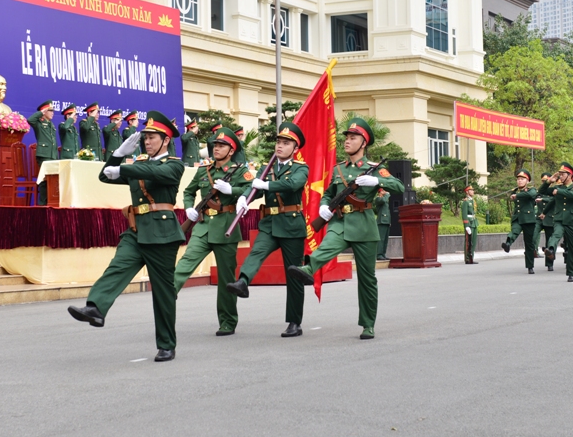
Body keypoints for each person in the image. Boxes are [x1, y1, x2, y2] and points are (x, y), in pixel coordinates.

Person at [67, 112, 184, 362]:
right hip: (136, 229)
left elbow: (159, 175)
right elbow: (104, 175)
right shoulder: (139, 164)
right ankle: (96, 307)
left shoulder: (173, 164)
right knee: (117, 267)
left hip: (162, 234)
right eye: (145, 137)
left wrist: (124, 166)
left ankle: (166, 344)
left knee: (163, 292)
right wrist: (118, 153)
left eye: (152, 137)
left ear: (165, 141)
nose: (147, 142)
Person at [288, 117, 405, 340]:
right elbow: (329, 194)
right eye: (347, 138)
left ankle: (368, 324)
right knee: (327, 245)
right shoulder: (338, 169)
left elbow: (399, 186)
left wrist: (377, 182)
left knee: (367, 279)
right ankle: (308, 269)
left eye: (353, 138)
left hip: (364, 225)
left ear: (364, 143)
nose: (347, 141)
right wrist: (323, 206)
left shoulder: (373, 170)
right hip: (340, 222)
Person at [227, 122, 309, 337]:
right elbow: (254, 185)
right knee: (257, 251)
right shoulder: (268, 168)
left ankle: (294, 322)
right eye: (278, 142)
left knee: (293, 274)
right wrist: (244, 197)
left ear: (295, 148)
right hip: (270, 224)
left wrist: (267, 186)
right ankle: (243, 282)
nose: (280, 146)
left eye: (285, 143)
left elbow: (292, 185)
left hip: (291, 225)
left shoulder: (301, 168)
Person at [173, 127, 253, 336]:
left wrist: (234, 192)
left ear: (231, 150)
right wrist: (189, 207)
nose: (216, 148)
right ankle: (166, 296)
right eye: (215, 145)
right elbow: (189, 191)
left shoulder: (239, 170)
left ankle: (227, 321)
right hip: (203, 226)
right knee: (184, 265)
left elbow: (253, 190)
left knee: (227, 279)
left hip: (226, 226)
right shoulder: (204, 170)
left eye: (221, 146)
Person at [542, 164, 573, 282]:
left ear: (570, 176)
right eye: (559, 174)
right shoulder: (558, 187)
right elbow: (542, 191)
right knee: (556, 234)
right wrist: (549, 181)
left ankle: (571, 273)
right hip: (559, 218)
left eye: (563, 174)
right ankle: (550, 250)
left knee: (572, 247)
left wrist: (558, 191)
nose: (560, 176)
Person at [502, 170, 538, 274]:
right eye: (518, 179)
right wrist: (515, 195)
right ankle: (508, 244)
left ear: (527, 181)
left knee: (529, 243)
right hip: (518, 218)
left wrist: (517, 196)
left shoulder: (532, 190)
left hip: (528, 219)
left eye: (522, 179)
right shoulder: (515, 191)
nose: (519, 181)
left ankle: (530, 266)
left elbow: (530, 195)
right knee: (514, 231)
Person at [27, 101, 58, 205]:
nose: (53, 112)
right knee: (45, 179)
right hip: (44, 154)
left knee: (53, 179)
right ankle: (42, 203)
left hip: (52, 155)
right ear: (44, 111)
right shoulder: (39, 123)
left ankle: (51, 201)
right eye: (50, 110)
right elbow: (30, 120)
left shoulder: (50, 124)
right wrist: (41, 113)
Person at [462, 185, 479, 264]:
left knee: (473, 241)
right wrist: (466, 226)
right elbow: (464, 214)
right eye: (471, 190)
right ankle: (467, 258)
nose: (473, 191)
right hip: (469, 223)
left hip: (474, 222)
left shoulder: (473, 201)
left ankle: (471, 257)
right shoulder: (466, 202)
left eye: (473, 190)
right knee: (468, 241)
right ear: (467, 192)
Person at [374, 187, 392, 261]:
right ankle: (379, 254)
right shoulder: (378, 199)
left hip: (386, 221)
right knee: (381, 239)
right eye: (383, 191)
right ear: (380, 192)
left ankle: (383, 254)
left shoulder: (384, 200)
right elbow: (383, 200)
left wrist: (389, 221)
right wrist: (387, 195)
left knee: (385, 239)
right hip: (381, 221)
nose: (385, 192)